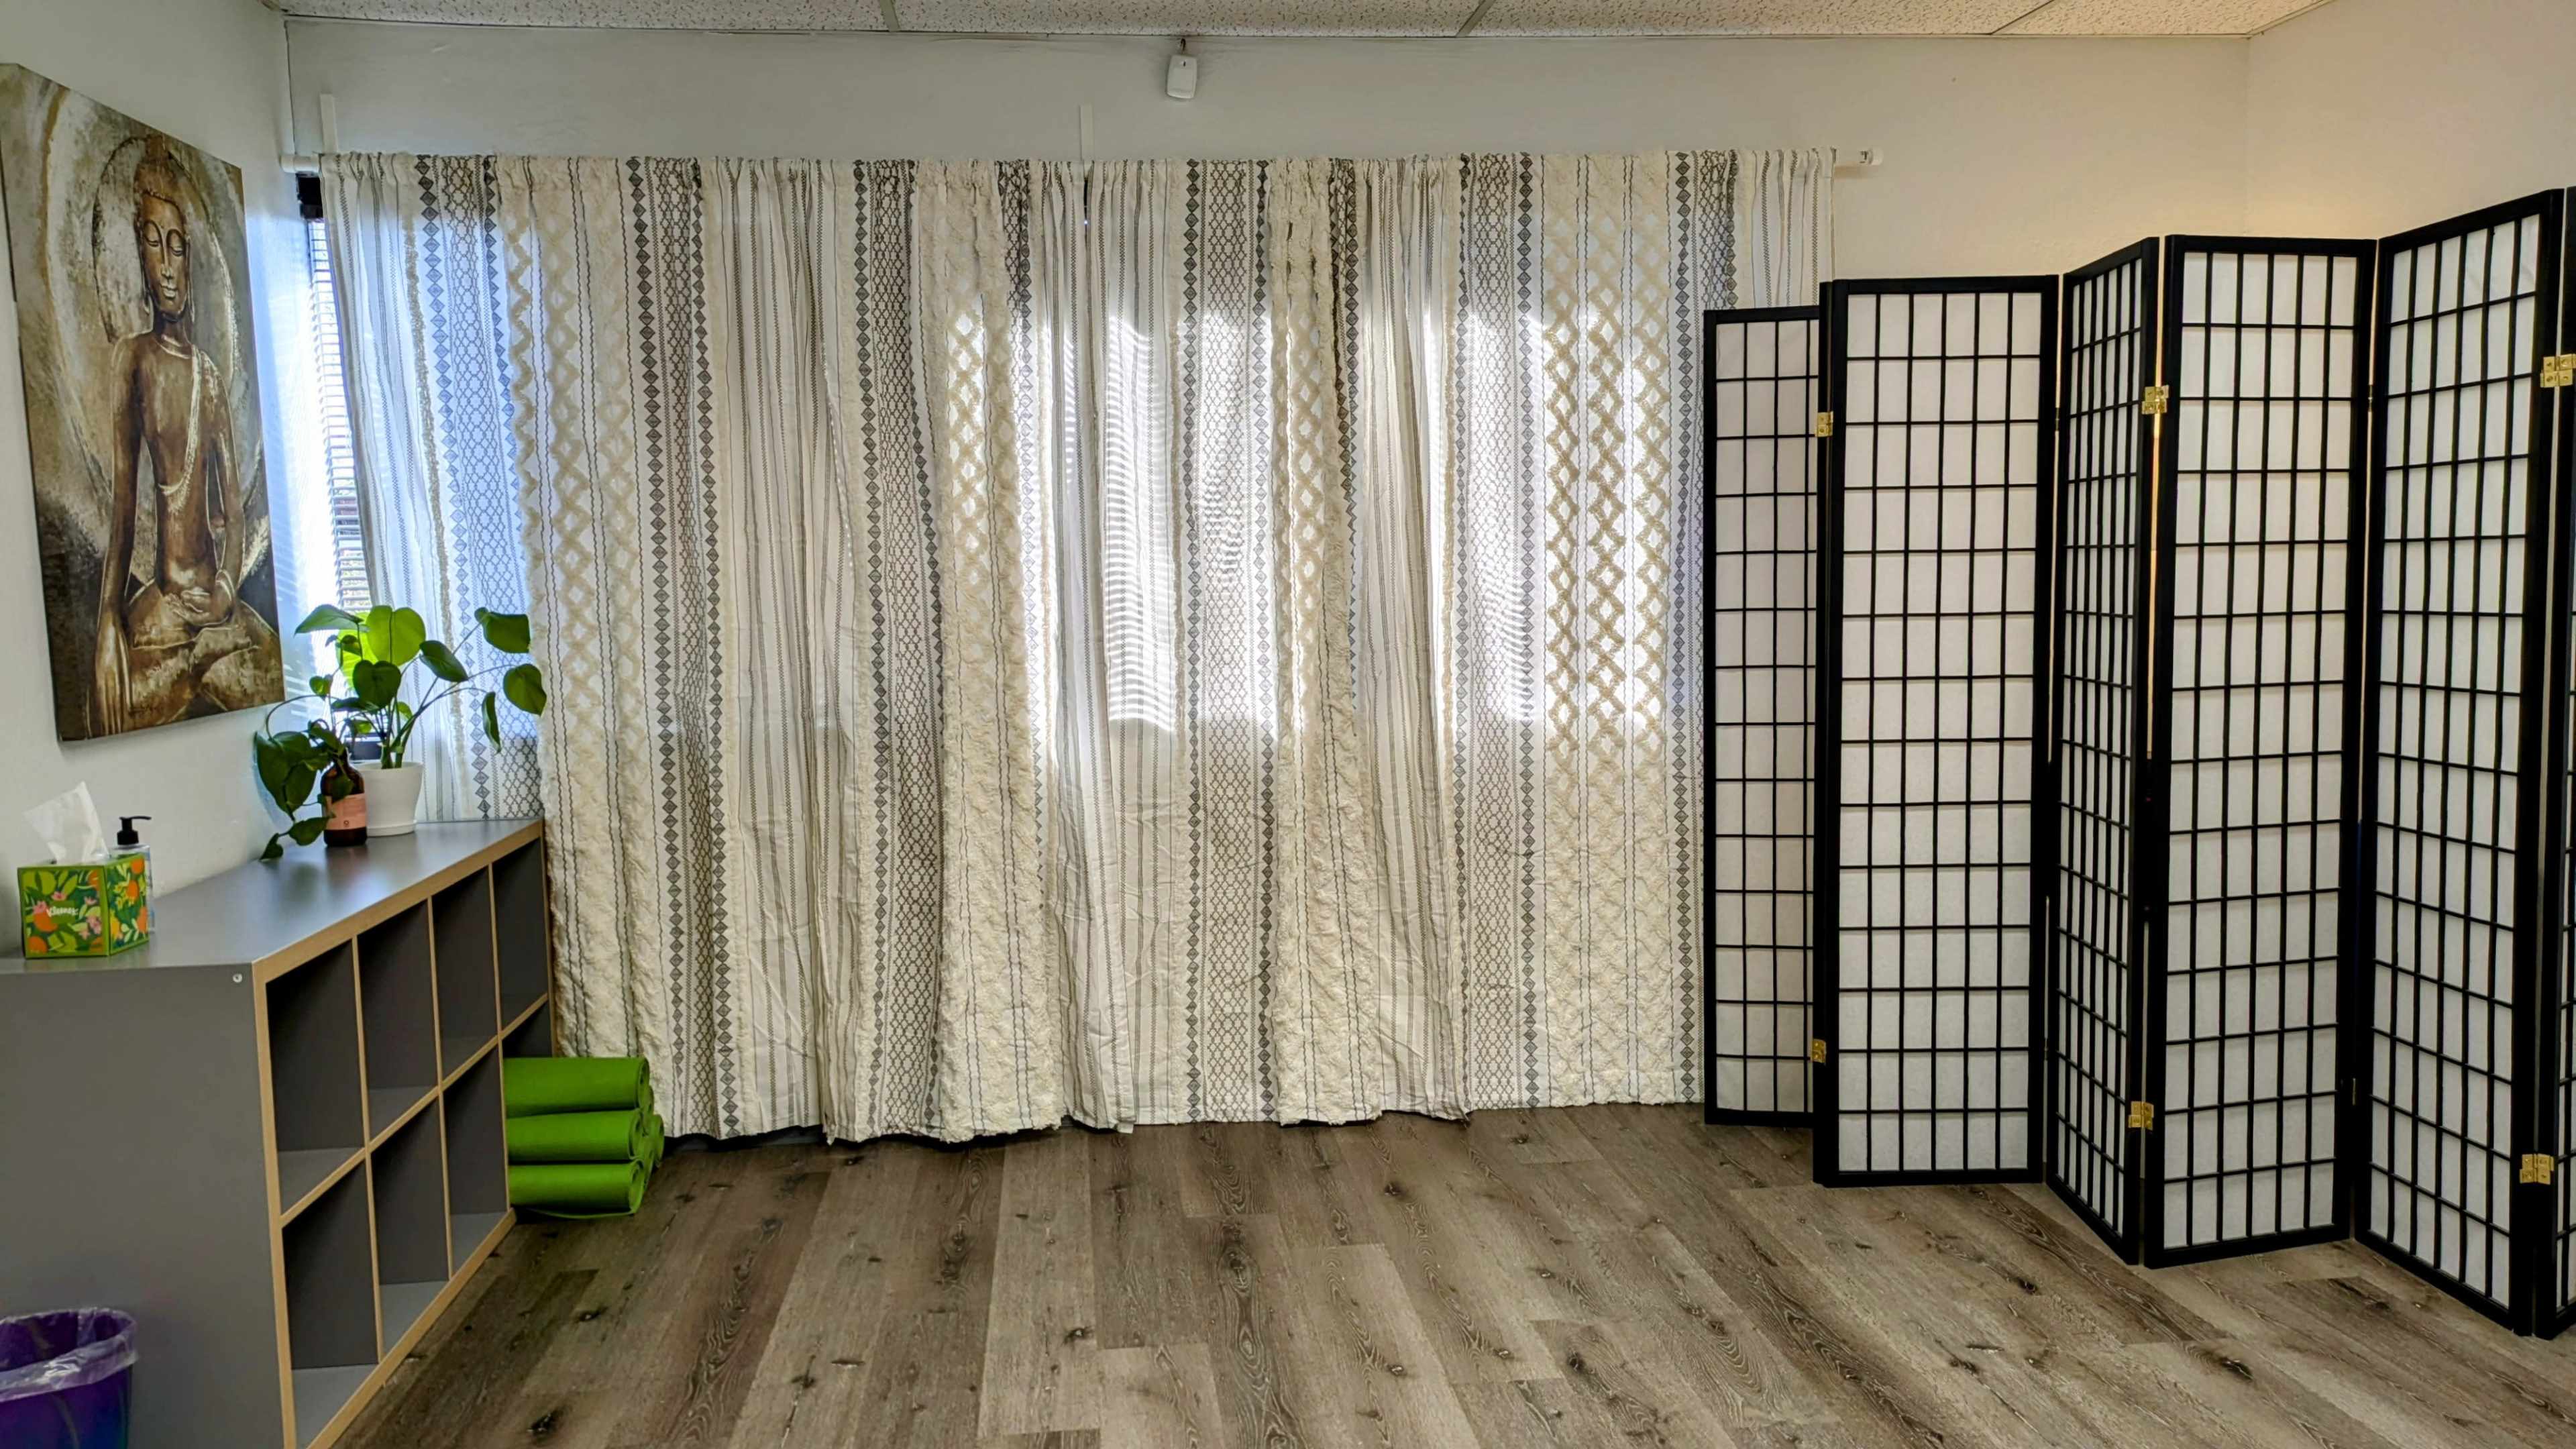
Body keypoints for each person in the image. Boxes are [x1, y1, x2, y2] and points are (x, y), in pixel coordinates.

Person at [91, 140, 277, 734]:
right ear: (139, 254)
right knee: (112, 706)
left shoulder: (209, 375)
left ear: (190, 257)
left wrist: (226, 588)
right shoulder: (133, 361)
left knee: (275, 671)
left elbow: (233, 510)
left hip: (216, 607)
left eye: (177, 247)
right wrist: (107, 626)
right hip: (166, 605)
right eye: (154, 244)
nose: (167, 266)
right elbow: (124, 505)